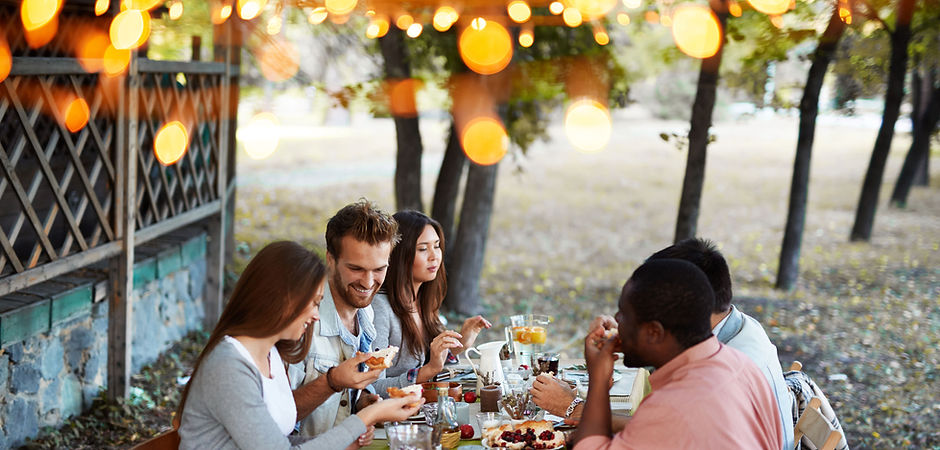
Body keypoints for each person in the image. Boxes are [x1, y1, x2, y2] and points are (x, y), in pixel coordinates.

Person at [533, 238, 794, 450]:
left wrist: (598, 381)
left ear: (655, 332)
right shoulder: (737, 362)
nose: (617, 322)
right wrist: (636, 341)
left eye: (624, 314)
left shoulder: (677, 405)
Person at [177, 241, 422, 450]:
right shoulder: (228, 366)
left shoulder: (271, 354)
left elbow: (281, 442)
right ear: (282, 300)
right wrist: (368, 417)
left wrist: (348, 438)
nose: (316, 315)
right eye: (313, 303)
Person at [289, 200, 401, 439]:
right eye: (357, 269)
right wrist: (331, 383)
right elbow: (276, 418)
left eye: (379, 269)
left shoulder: (366, 312)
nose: (369, 283)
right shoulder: (300, 321)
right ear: (331, 259)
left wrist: (360, 402)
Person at [370, 211, 492, 394]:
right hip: (394, 419)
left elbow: (428, 363)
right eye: (422, 249)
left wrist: (460, 346)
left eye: (436, 246)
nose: (434, 256)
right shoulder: (380, 309)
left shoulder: (424, 300)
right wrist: (429, 371)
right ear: (400, 254)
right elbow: (372, 389)